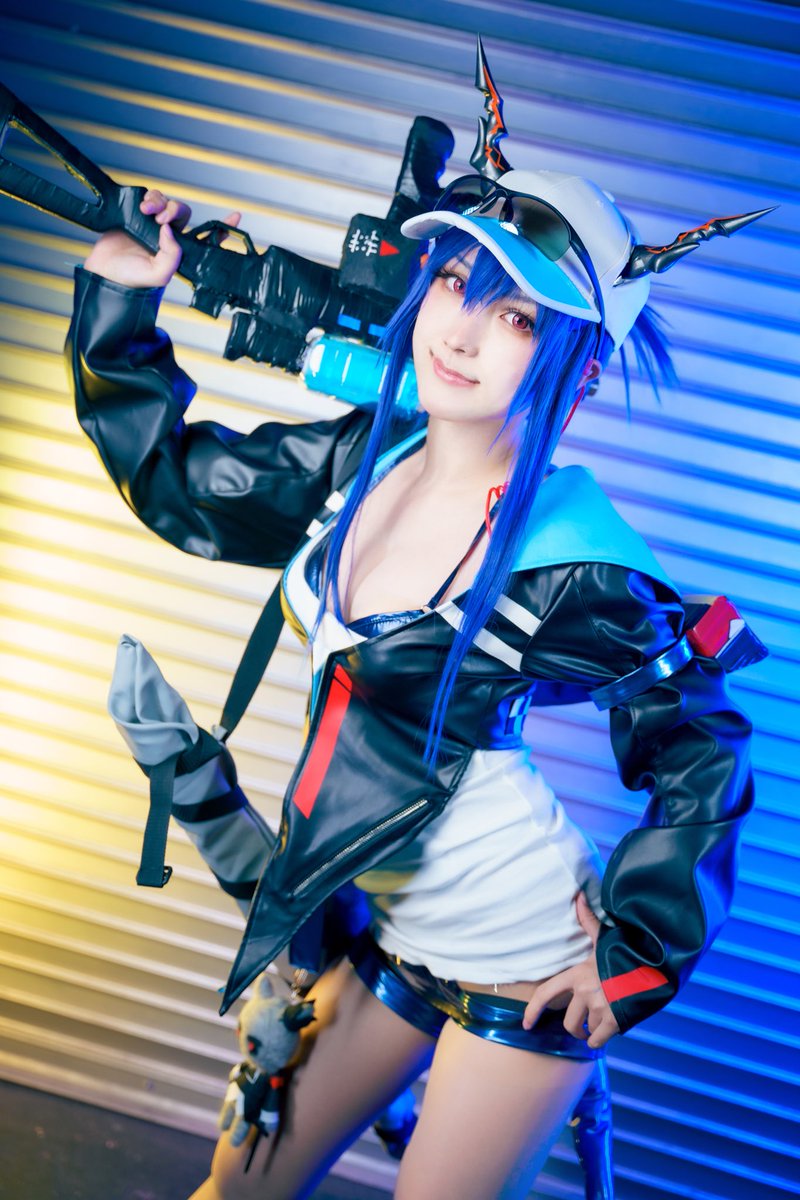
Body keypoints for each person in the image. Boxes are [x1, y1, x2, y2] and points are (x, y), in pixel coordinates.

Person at [65, 90, 758, 1200]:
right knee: (233, 1191)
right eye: (453, 284)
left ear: (574, 368)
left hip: (521, 962)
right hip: (392, 938)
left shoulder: (569, 562)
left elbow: (702, 746)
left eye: (517, 318)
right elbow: (179, 485)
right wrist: (118, 299)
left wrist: (632, 957)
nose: (461, 332)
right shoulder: (363, 462)